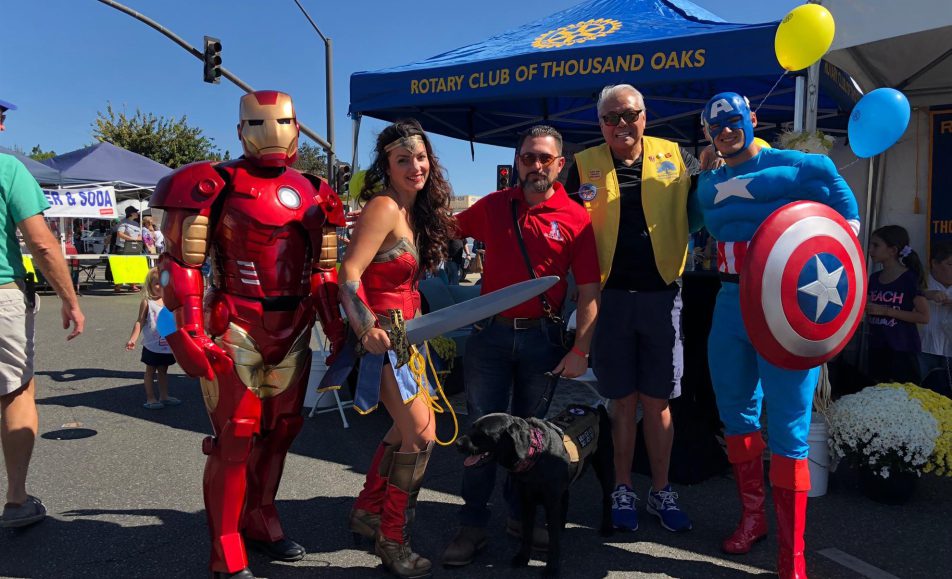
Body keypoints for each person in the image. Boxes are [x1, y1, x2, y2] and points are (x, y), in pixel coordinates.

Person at [150, 90, 347, 579]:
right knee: (235, 437)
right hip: (234, 323)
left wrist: (338, 328)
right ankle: (226, 545)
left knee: (281, 431)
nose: (272, 132)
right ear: (240, 130)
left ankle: (259, 515)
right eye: (258, 123)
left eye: (283, 121)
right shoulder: (213, 183)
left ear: (297, 126)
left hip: (293, 325)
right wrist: (187, 329)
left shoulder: (315, 190)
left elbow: (324, 271)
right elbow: (181, 265)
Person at [695, 92, 861, 578]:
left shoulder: (799, 165)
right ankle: (753, 519)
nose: (726, 130)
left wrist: (835, 261)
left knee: (789, 429)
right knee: (736, 416)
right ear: (707, 133)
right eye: (716, 126)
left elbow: (845, 215)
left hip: (785, 307)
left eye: (733, 120)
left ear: (752, 118)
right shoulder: (706, 182)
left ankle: (793, 557)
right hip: (729, 302)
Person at [442, 125, 600, 566]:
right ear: (517, 162)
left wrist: (581, 350)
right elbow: (441, 229)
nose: (536, 166)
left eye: (545, 159)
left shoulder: (577, 218)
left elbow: (590, 293)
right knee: (480, 433)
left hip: (542, 340)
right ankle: (472, 525)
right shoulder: (494, 206)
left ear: (560, 164)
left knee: (530, 439)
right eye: (528, 157)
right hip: (490, 337)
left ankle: (519, 517)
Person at [565, 84, 703, 534]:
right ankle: (622, 488)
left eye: (629, 115)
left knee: (658, 402)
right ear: (599, 123)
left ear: (645, 115)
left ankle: (661, 490)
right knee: (621, 401)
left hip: (662, 296)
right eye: (611, 118)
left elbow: (710, 198)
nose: (621, 125)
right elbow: (559, 221)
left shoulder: (678, 156)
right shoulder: (581, 163)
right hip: (609, 301)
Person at [327, 119, 454, 578]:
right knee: (421, 434)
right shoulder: (383, 206)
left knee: (406, 430)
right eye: (404, 160)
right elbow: (348, 275)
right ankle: (393, 538)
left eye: (420, 157)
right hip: (381, 338)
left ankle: (367, 511)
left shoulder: (415, 210)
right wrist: (365, 329)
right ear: (387, 166)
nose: (415, 166)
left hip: (409, 338)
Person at [0, 97, 85, 529]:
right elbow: (42, 243)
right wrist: (70, 299)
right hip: (2, 294)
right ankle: (17, 499)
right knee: (15, 392)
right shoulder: (8, 169)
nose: (2, 126)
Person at [865, 225, 929, 384]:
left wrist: (886, 311)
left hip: (902, 349)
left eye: (876, 245)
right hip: (877, 346)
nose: (870, 250)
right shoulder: (874, 278)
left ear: (893, 250)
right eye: (870, 245)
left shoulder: (909, 278)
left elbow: (924, 316)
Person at [125, 268, 180, 409]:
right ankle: (150, 398)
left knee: (163, 370)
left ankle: (164, 396)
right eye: (157, 283)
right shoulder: (148, 302)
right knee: (150, 371)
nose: (161, 286)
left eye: (164, 283)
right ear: (150, 285)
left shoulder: (170, 302)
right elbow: (140, 321)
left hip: (167, 345)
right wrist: (133, 339)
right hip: (152, 345)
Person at [920, 240, 952, 393]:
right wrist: (925, 294)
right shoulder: (920, 282)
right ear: (934, 263)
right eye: (950, 264)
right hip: (923, 348)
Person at [113, 206, 143, 292]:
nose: (137, 213)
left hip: (134, 247)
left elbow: (139, 235)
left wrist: (138, 239)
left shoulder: (137, 224)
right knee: (121, 266)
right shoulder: (123, 222)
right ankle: (118, 286)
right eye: (135, 212)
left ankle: (133, 285)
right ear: (131, 213)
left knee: (133, 266)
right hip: (123, 247)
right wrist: (131, 239)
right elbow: (120, 234)